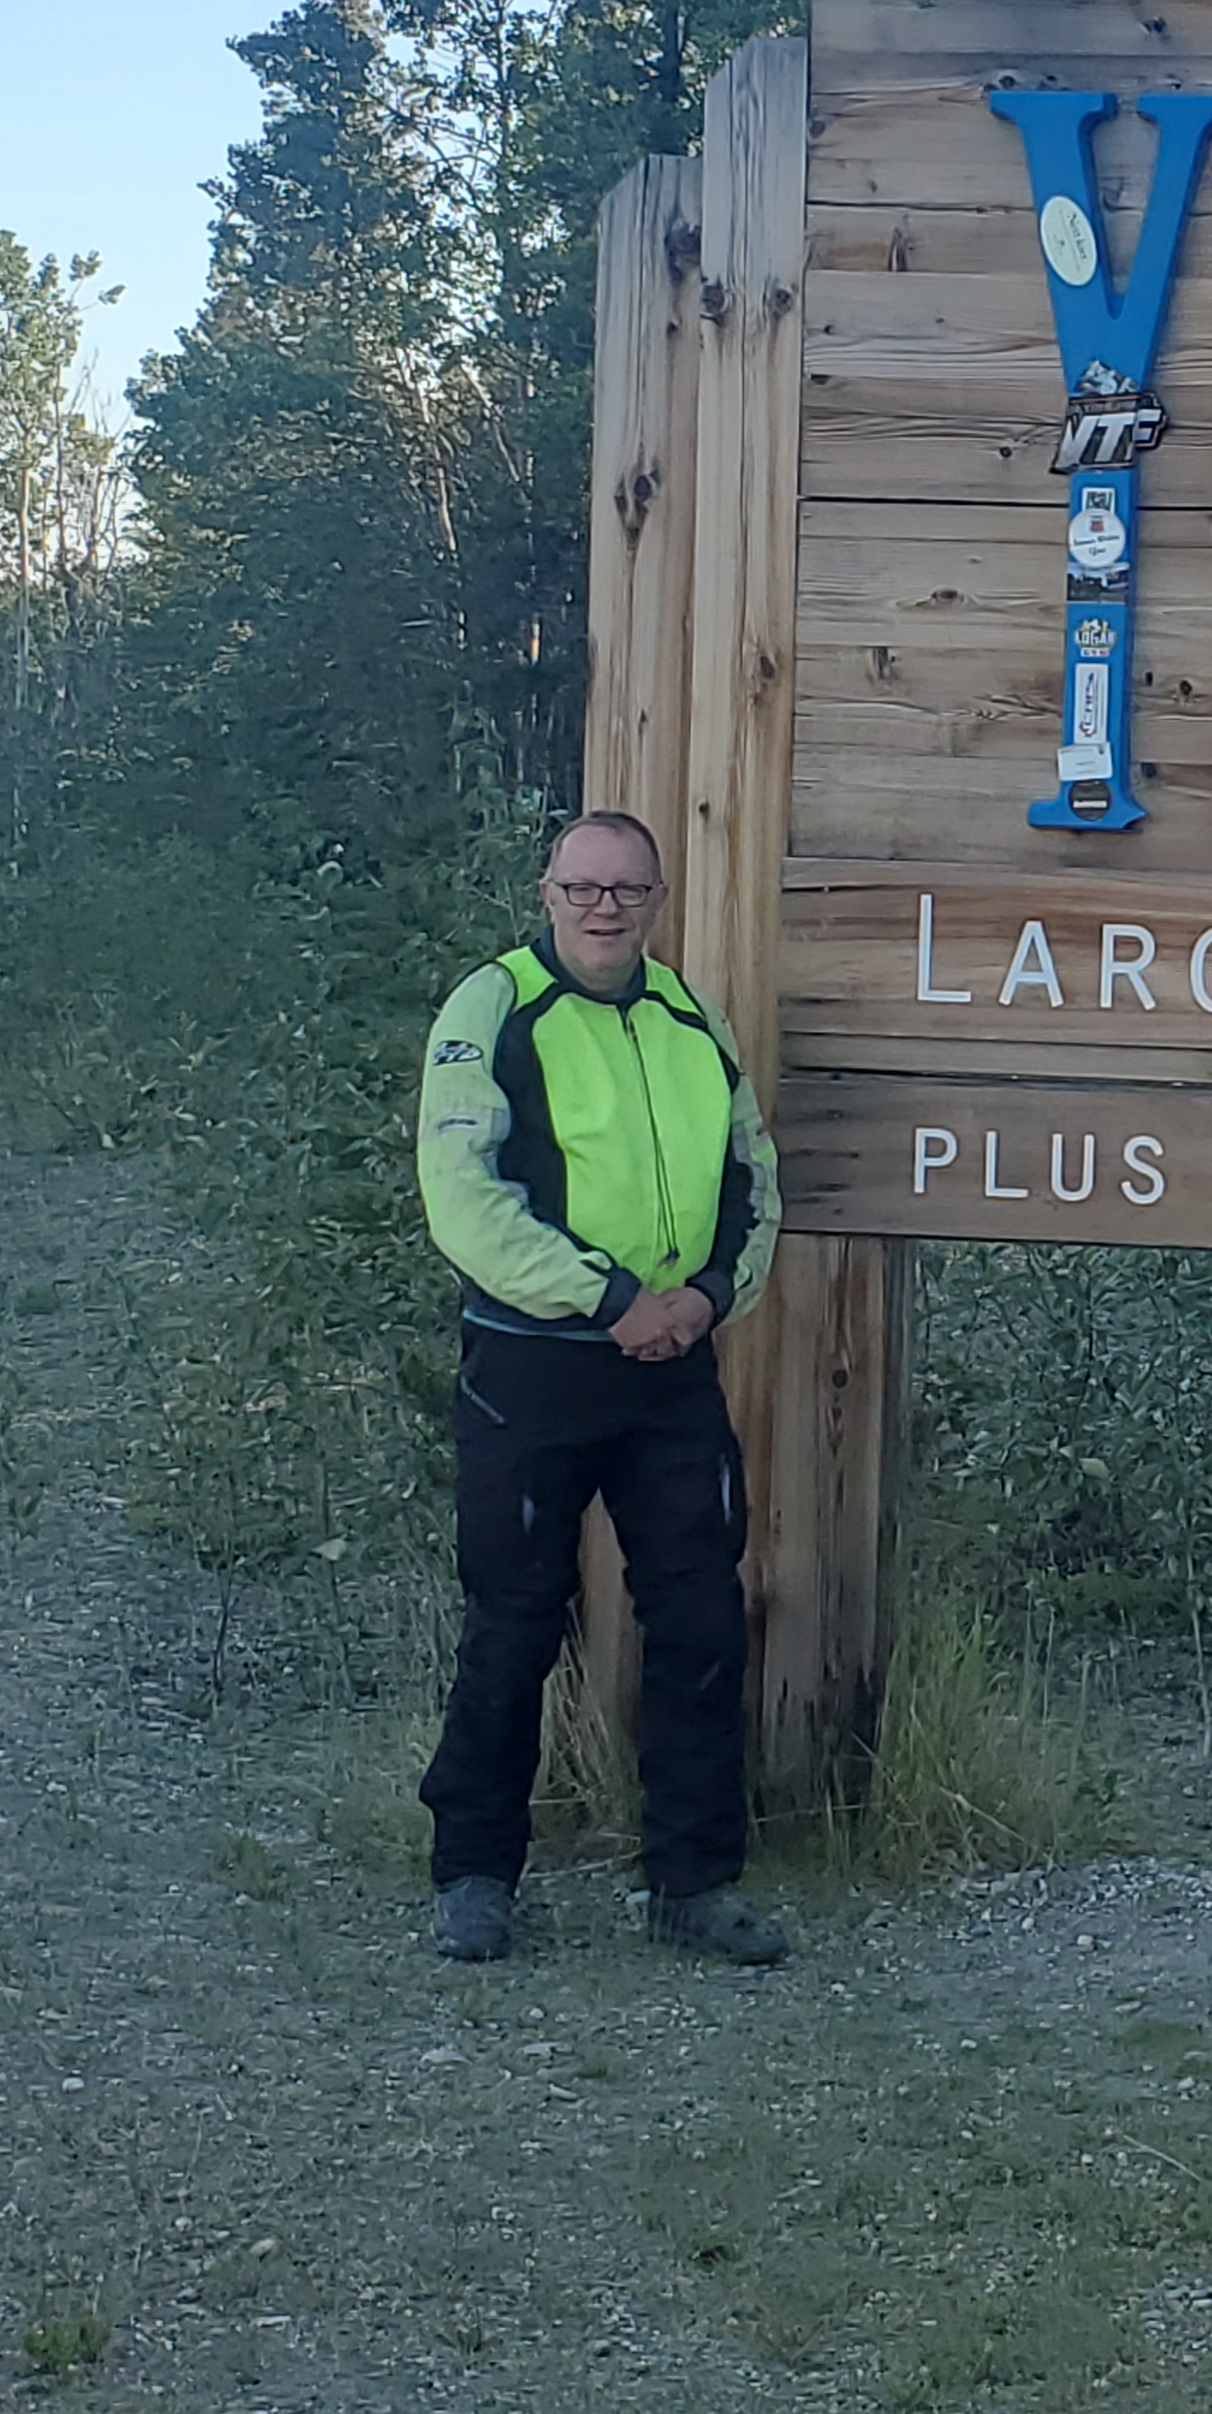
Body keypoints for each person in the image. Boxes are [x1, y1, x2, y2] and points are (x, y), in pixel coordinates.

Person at [410, 810, 787, 1965]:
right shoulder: (493, 1008)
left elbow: (753, 1176)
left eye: (627, 889)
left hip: (672, 1372)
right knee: (515, 1623)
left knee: (701, 1619)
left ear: (657, 900)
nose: (605, 908)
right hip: (532, 1371)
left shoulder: (688, 1016)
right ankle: (475, 1874)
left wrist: (709, 1298)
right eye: (583, 888)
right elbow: (462, 1195)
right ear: (548, 893)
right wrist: (608, 1298)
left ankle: (693, 1882)